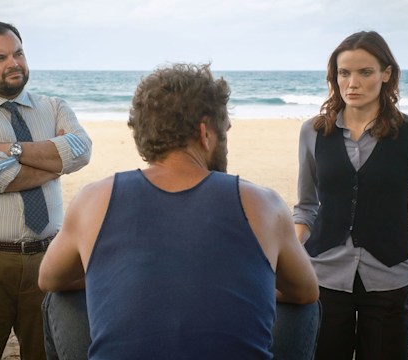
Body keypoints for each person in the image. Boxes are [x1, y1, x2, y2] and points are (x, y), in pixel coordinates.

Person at [38, 63, 320, 360]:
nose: (225, 140)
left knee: (60, 299)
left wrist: (110, 276)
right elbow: (306, 291)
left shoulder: (94, 198)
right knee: (306, 308)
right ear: (205, 133)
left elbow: (49, 279)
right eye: (224, 130)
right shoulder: (263, 203)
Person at [293, 31, 408, 360]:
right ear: (334, 76)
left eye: (365, 72)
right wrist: (296, 257)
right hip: (324, 278)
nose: (352, 82)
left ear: (386, 74)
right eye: (344, 72)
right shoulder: (313, 132)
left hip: (391, 281)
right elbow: (306, 208)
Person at [0, 20, 92, 359]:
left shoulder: (54, 107)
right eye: (0, 58)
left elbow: (81, 151)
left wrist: (12, 149)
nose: (14, 63)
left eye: (19, 53)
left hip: (50, 259)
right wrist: (54, 163)